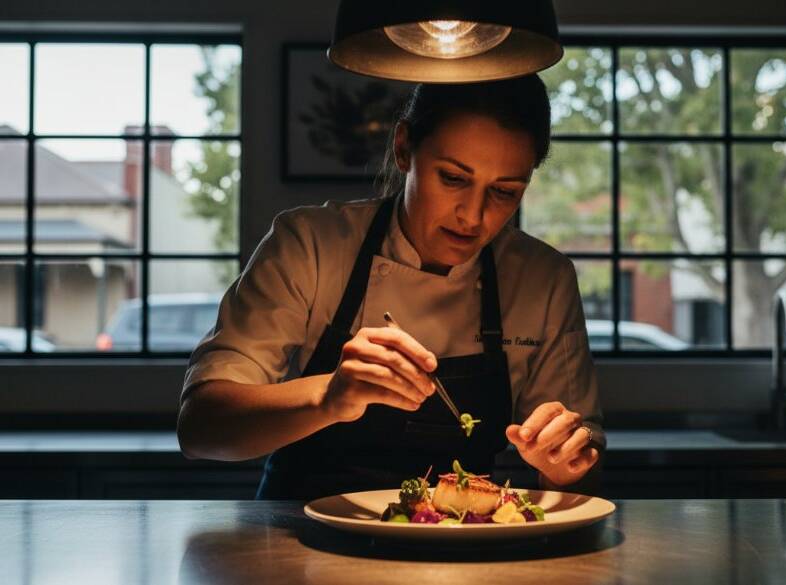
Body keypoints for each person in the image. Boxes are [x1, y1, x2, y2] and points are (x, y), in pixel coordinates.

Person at [177, 74, 605, 501]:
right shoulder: (309, 244)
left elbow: (583, 475)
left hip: (465, 539)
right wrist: (328, 397)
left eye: (505, 192)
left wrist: (563, 465)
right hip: (299, 538)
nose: (473, 217)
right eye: (453, 179)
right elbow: (201, 428)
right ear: (404, 148)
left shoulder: (543, 277)